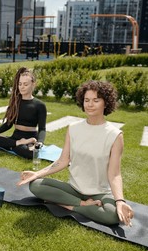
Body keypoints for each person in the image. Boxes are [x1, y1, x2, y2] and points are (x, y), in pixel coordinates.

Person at [17, 80, 134, 226]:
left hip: (100, 193)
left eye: (96, 100)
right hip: (74, 188)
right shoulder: (73, 128)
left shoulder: (115, 135)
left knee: (113, 216)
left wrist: (120, 201)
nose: (90, 104)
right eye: (86, 100)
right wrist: (36, 174)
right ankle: (82, 205)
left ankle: (67, 205)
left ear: (106, 103)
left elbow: (115, 174)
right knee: (35, 184)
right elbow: (63, 161)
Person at [0, 68, 47, 159]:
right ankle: (17, 144)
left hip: (30, 138)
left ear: (33, 85)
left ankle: (13, 145)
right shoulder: (15, 102)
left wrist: (40, 143)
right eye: (20, 84)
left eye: (25, 84)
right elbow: (8, 124)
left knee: (31, 153)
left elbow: (42, 129)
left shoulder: (40, 105)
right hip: (15, 138)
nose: (22, 87)